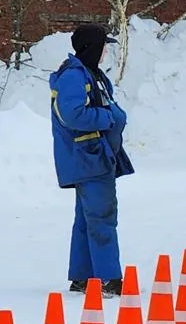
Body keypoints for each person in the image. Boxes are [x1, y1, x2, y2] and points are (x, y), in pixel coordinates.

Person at [50, 24, 134, 294]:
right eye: (104, 46)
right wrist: (109, 118)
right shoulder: (74, 77)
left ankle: (83, 276)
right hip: (89, 157)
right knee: (102, 217)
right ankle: (108, 278)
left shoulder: (90, 74)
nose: (106, 52)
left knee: (88, 219)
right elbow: (72, 114)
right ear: (92, 47)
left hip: (95, 156)